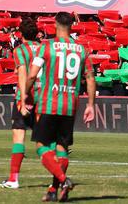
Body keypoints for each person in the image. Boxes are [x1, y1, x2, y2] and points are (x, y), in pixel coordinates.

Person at [25, 12, 96, 202]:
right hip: (70, 106)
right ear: (72, 25)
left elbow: (32, 74)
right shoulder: (81, 49)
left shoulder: (46, 46)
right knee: (61, 147)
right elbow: (90, 78)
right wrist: (91, 105)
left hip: (49, 104)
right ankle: (53, 190)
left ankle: (64, 181)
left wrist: (25, 94)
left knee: (41, 146)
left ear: (55, 24)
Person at [0, 16, 42, 190]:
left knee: (18, 138)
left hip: (26, 96)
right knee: (44, 140)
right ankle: (60, 176)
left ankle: (13, 179)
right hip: (43, 97)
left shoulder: (20, 50)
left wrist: (23, 99)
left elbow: (22, 74)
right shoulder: (44, 48)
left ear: (21, 34)